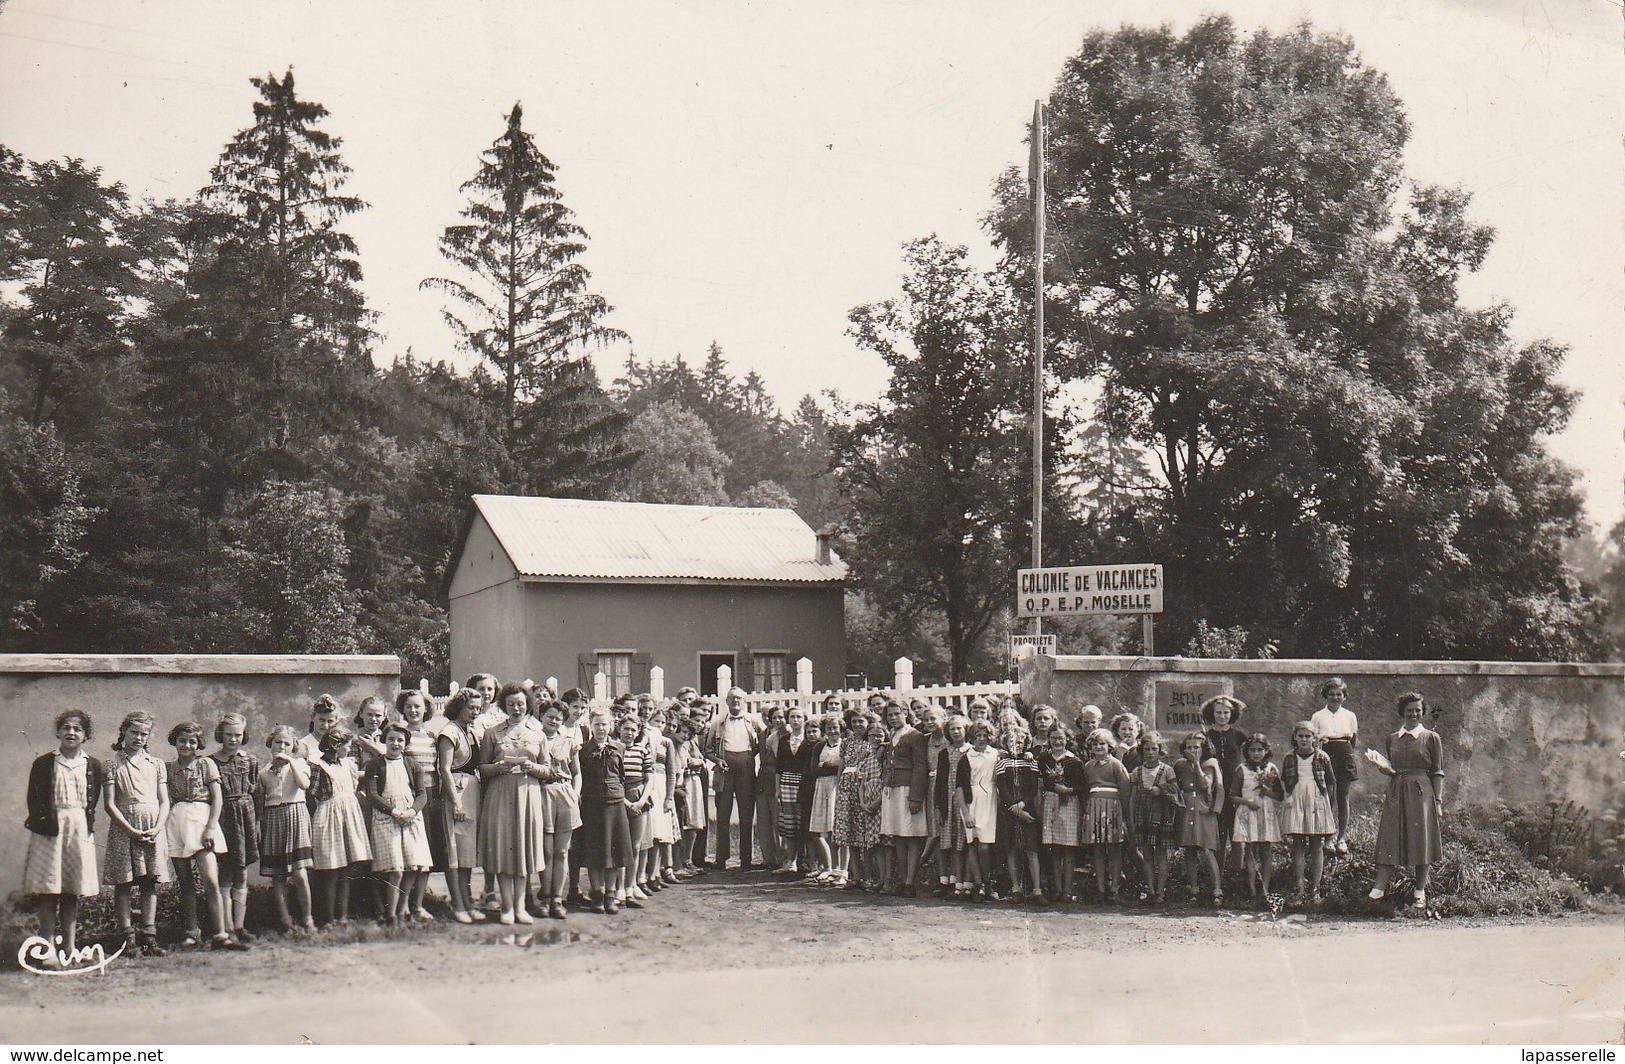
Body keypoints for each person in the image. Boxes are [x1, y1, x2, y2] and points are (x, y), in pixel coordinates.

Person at [23, 709, 104, 967]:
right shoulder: (45, 763)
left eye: (77, 729)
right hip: (50, 830)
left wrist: (82, 824)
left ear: (85, 735)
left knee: (72, 890)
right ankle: (46, 950)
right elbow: (33, 800)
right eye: (66, 728)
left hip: (79, 828)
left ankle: (69, 948)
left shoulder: (92, 765)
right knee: (49, 889)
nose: (71, 732)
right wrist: (45, 822)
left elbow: (93, 799)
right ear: (58, 732)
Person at [477, 682, 549, 924]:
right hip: (500, 794)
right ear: (503, 706)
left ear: (527, 705)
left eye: (520, 704)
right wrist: (497, 767)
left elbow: (549, 770)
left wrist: (533, 767)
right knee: (503, 850)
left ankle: (520, 907)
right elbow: (482, 769)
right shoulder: (492, 733)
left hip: (528, 794)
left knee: (523, 850)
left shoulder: (538, 733)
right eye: (511, 704)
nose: (516, 708)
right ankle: (506, 907)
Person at [164, 722, 239, 950]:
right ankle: (191, 932)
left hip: (201, 819)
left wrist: (209, 828)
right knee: (185, 881)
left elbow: (217, 799)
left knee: (211, 880)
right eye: (182, 740)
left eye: (192, 741)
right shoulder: (168, 768)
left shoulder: (205, 764)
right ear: (175, 742)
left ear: (198, 744)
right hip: (176, 821)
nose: (187, 745)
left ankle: (220, 933)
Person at [1368, 693, 1445, 910]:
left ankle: (1419, 891)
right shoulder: (1392, 738)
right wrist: (1384, 769)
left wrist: (1438, 802)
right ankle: (1378, 889)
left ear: (1423, 712)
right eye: (1409, 710)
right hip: (1396, 791)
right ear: (1402, 712)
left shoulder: (1431, 737)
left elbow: (1437, 772)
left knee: (1422, 839)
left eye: (1418, 710)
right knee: (1390, 835)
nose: (1414, 714)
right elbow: (1393, 768)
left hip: (1421, 792)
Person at [104, 711, 170, 956]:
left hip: (152, 826)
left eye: (144, 734)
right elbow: (109, 804)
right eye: (134, 732)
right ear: (124, 732)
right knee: (124, 883)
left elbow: (164, 801)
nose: (139, 738)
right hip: (125, 828)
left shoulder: (156, 764)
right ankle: (127, 939)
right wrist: (131, 830)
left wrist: (158, 826)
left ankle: (149, 937)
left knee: (149, 882)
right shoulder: (113, 763)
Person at [362, 722, 432, 924]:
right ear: (384, 740)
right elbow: (373, 794)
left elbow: (421, 794)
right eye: (391, 739)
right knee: (396, 869)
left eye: (400, 740)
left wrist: (410, 812)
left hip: (410, 817)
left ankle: (402, 912)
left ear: (405, 743)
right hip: (386, 817)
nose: (395, 743)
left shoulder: (412, 765)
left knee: (412, 866)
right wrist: (393, 811)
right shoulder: (375, 765)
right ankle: (390, 915)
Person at [307, 724, 371, 925]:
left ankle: (342, 917)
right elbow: (312, 796)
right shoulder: (318, 767)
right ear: (336, 745)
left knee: (345, 871)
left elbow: (352, 788)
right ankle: (328, 918)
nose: (349, 749)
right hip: (328, 818)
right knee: (331, 871)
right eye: (347, 745)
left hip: (348, 818)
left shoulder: (349, 765)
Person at [256, 724, 316, 933]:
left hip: (295, 814)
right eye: (278, 742)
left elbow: (304, 785)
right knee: (278, 875)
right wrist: (259, 824)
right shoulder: (263, 771)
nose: (281, 747)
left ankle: (308, 919)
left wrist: (291, 761)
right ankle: (286, 921)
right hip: (273, 819)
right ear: (270, 744)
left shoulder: (299, 763)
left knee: (299, 873)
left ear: (293, 746)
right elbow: (260, 800)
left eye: (286, 744)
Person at [434, 690, 484, 923]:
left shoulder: (471, 730)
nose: (475, 712)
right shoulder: (449, 731)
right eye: (470, 708)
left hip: (471, 791)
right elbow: (444, 768)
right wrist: (455, 801)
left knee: (466, 851)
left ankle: (468, 901)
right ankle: (457, 904)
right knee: (454, 849)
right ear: (458, 707)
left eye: (477, 708)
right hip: (457, 790)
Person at [577, 709, 633, 913]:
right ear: (591, 726)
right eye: (597, 724)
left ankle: (611, 894)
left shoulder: (619, 747)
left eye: (604, 724)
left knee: (614, 853)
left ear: (611, 726)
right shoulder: (582, 750)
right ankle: (597, 894)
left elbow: (622, 777)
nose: (601, 728)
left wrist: (618, 795)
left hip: (615, 803)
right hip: (592, 805)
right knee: (594, 852)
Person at [210, 713, 259, 943]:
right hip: (223, 819)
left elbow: (256, 793)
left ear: (244, 735)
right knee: (225, 872)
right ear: (221, 735)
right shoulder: (210, 761)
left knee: (242, 871)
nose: (233, 739)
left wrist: (257, 823)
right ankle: (227, 926)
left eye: (238, 735)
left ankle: (240, 926)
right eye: (228, 735)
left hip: (246, 817)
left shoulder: (250, 761)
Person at [704, 687, 762, 870]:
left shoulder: (753, 721)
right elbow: (707, 749)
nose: (735, 701)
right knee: (723, 813)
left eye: (739, 698)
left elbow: (764, 742)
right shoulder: (718, 722)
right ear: (726, 701)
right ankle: (721, 858)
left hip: (746, 765)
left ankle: (746, 859)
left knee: (746, 812)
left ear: (744, 701)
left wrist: (749, 758)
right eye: (732, 698)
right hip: (725, 766)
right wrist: (718, 760)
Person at [1281, 721, 1337, 905]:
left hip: (1316, 799)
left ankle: (1315, 889)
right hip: (1297, 798)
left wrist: (1325, 799)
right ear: (1295, 737)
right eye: (1301, 736)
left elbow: (1330, 781)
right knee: (1298, 843)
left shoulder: (1322, 757)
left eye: (1308, 736)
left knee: (1317, 844)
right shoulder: (1289, 757)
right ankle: (1299, 889)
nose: (1304, 740)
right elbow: (1285, 780)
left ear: (1314, 738)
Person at [879, 700, 930, 897]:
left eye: (897, 714)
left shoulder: (915, 736)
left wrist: (916, 797)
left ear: (906, 714)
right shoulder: (891, 735)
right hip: (892, 789)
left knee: (912, 836)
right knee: (898, 835)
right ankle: (902, 878)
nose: (893, 718)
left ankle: (910, 882)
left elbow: (920, 766)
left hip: (908, 790)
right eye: (890, 715)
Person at [537, 699, 583, 919]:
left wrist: (574, 794)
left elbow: (576, 773)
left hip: (564, 795)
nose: (554, 721)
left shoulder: (569, 741)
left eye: (558, 718)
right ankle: (544, 897)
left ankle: (557, 898)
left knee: (562, 851)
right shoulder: (534, 739)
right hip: (542, 795)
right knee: (546, 851)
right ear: (541, 716)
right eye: (550, 716)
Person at [396, 689, 445, 882]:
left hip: (432, 794)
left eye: (417, 706)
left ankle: (423, 896)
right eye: (408, 706)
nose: (413, 710)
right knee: (413, 844)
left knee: (430, 845)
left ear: (426, 709)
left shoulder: (432, 736)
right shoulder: (401, 734)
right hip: (412, 794)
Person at [1230, 733, 1283, 905]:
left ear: (1266, 751)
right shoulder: (1242, 770)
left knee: (1266, 850)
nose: (1256, 753)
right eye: (1252, 750)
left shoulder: (1271, 769)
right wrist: (1246, 801)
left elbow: (1280, 795)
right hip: (1248, 812)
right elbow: (1233, 796)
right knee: (1251, 850)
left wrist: (1267, 792)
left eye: (1260, 750)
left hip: (1265, 811)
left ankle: (1265, 889)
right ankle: (1252, 889)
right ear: (1247, 751)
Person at [1173, 732, 1224, 906]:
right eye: (1189, 747)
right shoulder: (1180, 765)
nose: (1192, 750)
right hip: (1188, 808)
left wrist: (1196, 764)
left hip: (1204, 808)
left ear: (1204, 749)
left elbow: (1205, 784)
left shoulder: (1210, 764)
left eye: (1196, 747)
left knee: (1207, 849)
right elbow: (1177, 785)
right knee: (1190, 849)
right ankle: (1193, 889)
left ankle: (1217, 890)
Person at [1127, 731, 1178, 904]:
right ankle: (1150, 889)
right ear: (1142, 750)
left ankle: (1160, 891)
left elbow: (1176, 790)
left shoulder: (1167, 770)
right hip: (1142, 815)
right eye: (1147, 749)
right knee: (1147, 854)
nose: (1150, 753)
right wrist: (1132, 819)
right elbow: (1133, 797)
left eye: (1154, 749)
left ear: (1160, 750)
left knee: (1161, 854)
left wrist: (1161, 790)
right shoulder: (1137, 771)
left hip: (1161, 815)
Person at [1080, 728, 1131, 901]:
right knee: (1098, 850)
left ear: (1109, 746)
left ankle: (1114, 888)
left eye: (1102, 744)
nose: (1099, 747)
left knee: (1114, 850)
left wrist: (1123, 814)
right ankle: (1101, 889)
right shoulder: (1088, 766)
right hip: (1094, 808)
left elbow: (1125, 789)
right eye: (1095, 744)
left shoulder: (1116, 765)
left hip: (1113, 808)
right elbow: (1085, 789)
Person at [1310, 678, 1359, 856]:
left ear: (1344, 697)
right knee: (1328, 796)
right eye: (1331, 694)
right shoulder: (1317, 716)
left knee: (1343, 797)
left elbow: (1352, 740)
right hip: (1326, 753)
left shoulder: (1350, 716)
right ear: (1325, 696)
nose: (1335, 697)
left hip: (1344, 752)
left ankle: (1342, 838)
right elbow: (1314, 740)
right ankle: (1328, 837)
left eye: (1339, 694)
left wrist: (1345, 751)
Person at [831, 711, 880, 889]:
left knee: (865, 834)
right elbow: (841, 766)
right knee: (850, 833)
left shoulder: (872, 741)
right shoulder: (846, 742)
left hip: (864, 787)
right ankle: (855, 876)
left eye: (861, 721)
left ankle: (868, 877)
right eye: (854, 721)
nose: (858, 725)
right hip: (846, 786)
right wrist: (838, 787)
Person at [995, 726, 1043, 904]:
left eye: (1021, 742)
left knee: (1031, 850)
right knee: (1012, 849)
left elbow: (1033, 789)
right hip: (1009, 811)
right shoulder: (1002, 763)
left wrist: (1023, 806)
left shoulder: (1031, 762)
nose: (1017, 745)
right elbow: (1003, 788)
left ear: (1026, 744)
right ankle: (1016, 888)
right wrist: (1015, 808)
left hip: (1027, 809)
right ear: (1006, 743)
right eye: (1013, 741)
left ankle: (1037, 890)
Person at [1200, 695, 1249, 869]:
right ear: (1212, 714)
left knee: (1237, 834)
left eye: (1226, 713)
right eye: (1218, 713)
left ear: (1232, 714)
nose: (1222, 716)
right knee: (1218, 836)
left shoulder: (1239, 735)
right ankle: (1218, 877)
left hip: (1235, 790)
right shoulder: (1205, 736)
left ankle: (1237, 873)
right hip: (1215, 791)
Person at [1037, 725, 1083, 903]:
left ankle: (1067, 889)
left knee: (1068, 848)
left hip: (1069, 804)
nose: (1057, 741)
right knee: (1054, 848)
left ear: (1067, 740)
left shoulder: (1074, 761)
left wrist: (1067, 790)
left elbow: (1082, 787)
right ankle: (1057, 888)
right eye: (1054, 738)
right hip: (1050, 803)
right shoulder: (1044, 759)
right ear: (1049, 739)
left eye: (1061, 738)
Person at [774, 706, 820, 875]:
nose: (795, 720)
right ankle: (791, 860)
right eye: (792, 717)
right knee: (789, 824)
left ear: (804, 719)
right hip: (786, 784)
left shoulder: (810, 740)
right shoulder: (784, 739)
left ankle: (812, 862)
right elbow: (779, 766)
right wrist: (777, 787)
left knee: (806, 823)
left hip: (804, 784)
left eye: (799, 717)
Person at [959, 720, 1001, 902]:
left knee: (985, 846)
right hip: (972, 802)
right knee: (973, 844)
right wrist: (966, 812)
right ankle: (979, 885)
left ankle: (989, 881)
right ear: (971, 738)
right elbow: (959, 787)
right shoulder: (966, 757)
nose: (981, 739)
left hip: (990, 801)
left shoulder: (996, 755)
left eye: (985, 736)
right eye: (977, 736)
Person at [933, 715, 972, 897]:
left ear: (966, 730)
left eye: (959, 728)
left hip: (965, 802)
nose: (956, 732)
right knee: (948, 840)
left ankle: (965, 881)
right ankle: (949, 881)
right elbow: (940, 782)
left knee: (963, 842)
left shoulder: (971, 752)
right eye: (952, 729)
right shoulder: (944, 753)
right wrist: (938, 807)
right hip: (948, 800)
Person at [618, 714, 653, 907]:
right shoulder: (614, 749)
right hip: (619, 797)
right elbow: (613, 779)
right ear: (619, 729)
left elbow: (649, 778)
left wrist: (641, 801)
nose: (629, 733)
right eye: (626, 729)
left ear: (638, 731)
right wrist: (624, 802)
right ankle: (619, 889)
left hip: (640, 796)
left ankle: (630, 886)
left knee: (635, 845)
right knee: (621, 845)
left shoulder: (643, 751)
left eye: (633, 730)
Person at [805, 716, 842, 880]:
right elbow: (814, 769)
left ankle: (837, 868)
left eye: (835, 728)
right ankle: (826, 867)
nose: (832, 731)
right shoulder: (819, 746)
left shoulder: (845, 745)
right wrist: (831, 768)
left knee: (835, 829)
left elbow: (843, 767)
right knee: (819, 830)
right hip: (821, 786)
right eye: (829, 728)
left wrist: (825, 765)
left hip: (838, 786)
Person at [297, 695, 342, 763]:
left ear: (336, 721)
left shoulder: (340, 745)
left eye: (330, 721)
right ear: (312, 717)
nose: (325, 725)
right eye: (321, 720)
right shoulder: (302, 745)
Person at [352, 696, 390, 762]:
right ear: (361, 714)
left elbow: (393, 764)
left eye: (378, 715)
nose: (373, 719)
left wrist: (373, 748)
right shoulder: (354, 739)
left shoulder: (388, 738)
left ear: (384, 717)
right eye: (369, 715)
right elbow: (352, 768)